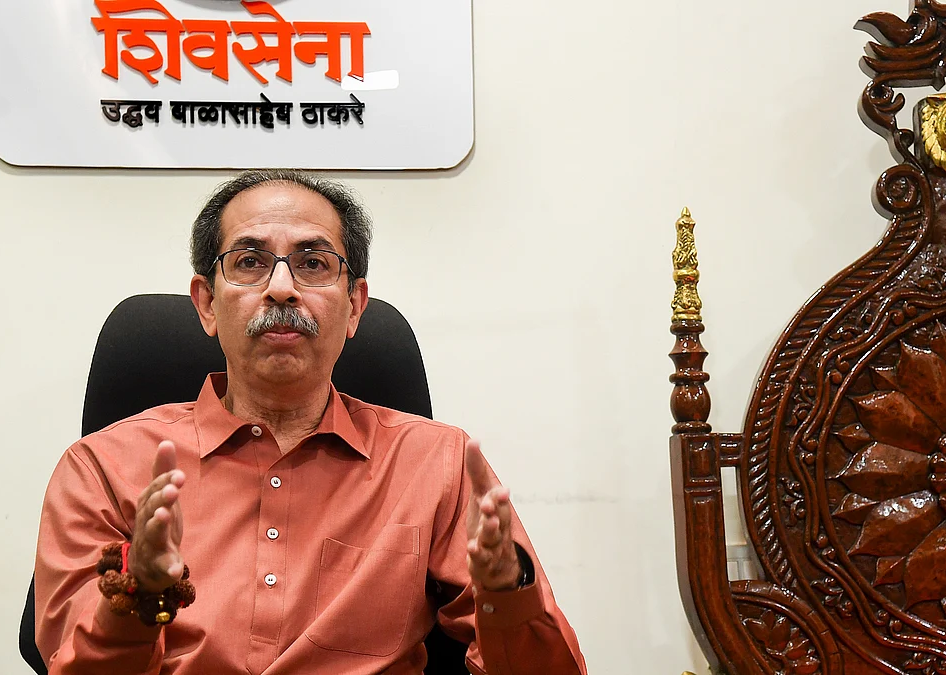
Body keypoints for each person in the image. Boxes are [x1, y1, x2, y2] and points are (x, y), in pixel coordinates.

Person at [33, 170, 586, 675]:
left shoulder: (438, 465)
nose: (281, 287)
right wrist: (141, 593)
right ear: (205, 304)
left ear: (355, 306)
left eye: (313, 263)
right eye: (249, 261)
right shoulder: (104, 468)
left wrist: (506, 593)